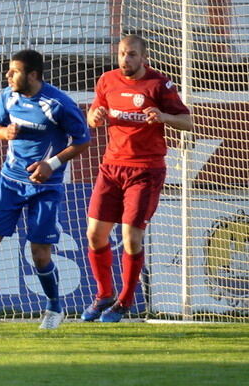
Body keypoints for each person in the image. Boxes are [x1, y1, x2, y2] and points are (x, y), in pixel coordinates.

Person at [0, 50, 90, 332]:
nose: (8, 76)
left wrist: (51, 164)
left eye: (14, 72)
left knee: (40, 254)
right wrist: (5, 133)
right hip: (9, 182)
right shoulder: (9, 96)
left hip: (44, 187)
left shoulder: (58, 104)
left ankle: (54, 308)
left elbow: (83, 140)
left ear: (34, 75)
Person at [83, 34, 193, 322]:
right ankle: (104, 294)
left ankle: (125, 301)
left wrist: (163, 116)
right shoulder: (107, 80)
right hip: (111, 168)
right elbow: (93, 112)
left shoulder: (159, 84)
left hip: (145, 170)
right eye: (121, 54)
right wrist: (94, 116)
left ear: (143, 58)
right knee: (94, 234)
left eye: (131, 54)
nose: (125, 60)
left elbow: (187, 121)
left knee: (131, 237)